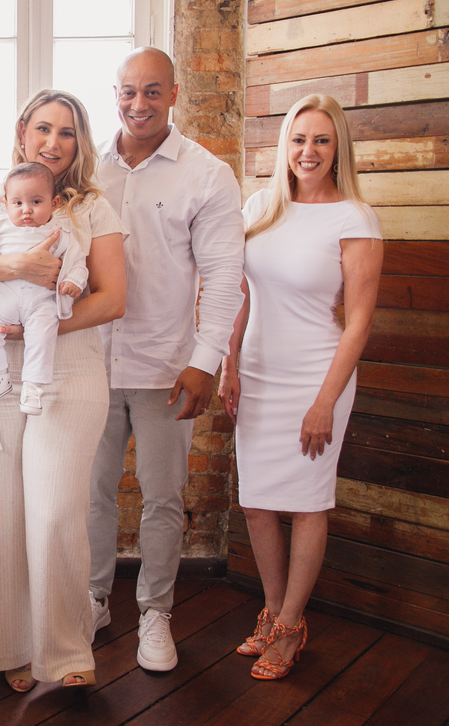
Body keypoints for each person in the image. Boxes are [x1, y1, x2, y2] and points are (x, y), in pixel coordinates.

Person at [0, 89, 127, 690]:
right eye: (43, 129)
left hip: (69, 368)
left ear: (80, 144)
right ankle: (10, 649)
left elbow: (112, 296)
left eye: (68, 132)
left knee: (53, 512)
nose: (54, 142)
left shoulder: (93, 208)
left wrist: (43, 324)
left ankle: (66, 650)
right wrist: (21, 270)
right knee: (0, 516)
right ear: (22, 132)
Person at [87, 47, 245, 672]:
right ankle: (94, 599)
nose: (138, 104)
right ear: (115, 95)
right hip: (90, 366)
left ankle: (156, 612)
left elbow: (225, 276)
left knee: (162, 499)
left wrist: (206, 360)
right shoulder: (85, 167)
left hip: (165, 368)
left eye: (153, 91)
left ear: (175, 95)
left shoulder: (207, 175)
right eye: (128, 91)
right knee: (89, 494)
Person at [219, 94, 382, 680]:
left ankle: (290, 626)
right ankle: (271, 608)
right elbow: (239, 293)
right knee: (257, 500)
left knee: (309, 501)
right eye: (297, 139)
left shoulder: (354, 218)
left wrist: (324, 402)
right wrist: (228, 362)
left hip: (318, 374)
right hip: (257, 369)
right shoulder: (262, 205)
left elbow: (359, 319)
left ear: (338, 148)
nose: (307, 152)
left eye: (320, 141)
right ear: (284, 145)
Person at [0, 161, 89, 415]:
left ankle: (34, 387)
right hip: (2, 298)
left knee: (42, 336)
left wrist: (74, 280)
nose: (26, 211)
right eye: (18, 203)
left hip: (40, 301)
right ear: (6, 203)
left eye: (36, 202)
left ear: (54, 203)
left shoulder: (60, 233)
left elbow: (78, 262)